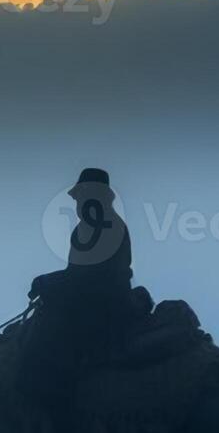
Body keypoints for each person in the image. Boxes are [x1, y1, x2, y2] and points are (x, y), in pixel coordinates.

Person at [22, 168, 137, 403]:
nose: (78, 202)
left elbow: (94, 276)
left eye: (82, 196)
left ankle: (55, 401)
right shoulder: (83, 231)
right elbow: (75, 274)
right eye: (78, 198)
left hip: (106, 304)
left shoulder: (109, 226)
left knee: (46, 343)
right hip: (89, 300)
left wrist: (48, 282)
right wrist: (51, 283)